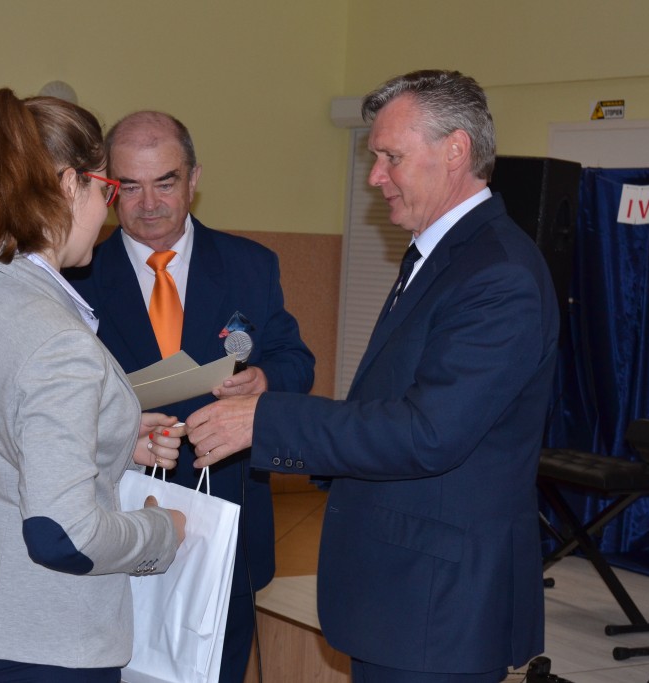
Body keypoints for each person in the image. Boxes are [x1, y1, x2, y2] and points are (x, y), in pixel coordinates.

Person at [186, 70, 560, 682]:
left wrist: (266, 419)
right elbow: (391, 403)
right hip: (402, 593)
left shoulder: (498, 274)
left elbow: (429, 432)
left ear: (456, 150)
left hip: (437, 607)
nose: (375, 177)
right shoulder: (444, 254)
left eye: (391, 157)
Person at [0, 88, 187, 683]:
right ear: (68, 185)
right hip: (34, 639)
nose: (109, 212)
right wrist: (163, 533)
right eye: (107, 190)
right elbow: (62, 534)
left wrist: (112, 439)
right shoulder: (57, 337)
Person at [66, 111, 314, 683]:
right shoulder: (77, 275)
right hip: (115, 517)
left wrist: (264, 380)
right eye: (130, 186)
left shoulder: (250, 266)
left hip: (225, 513)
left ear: (195, 178)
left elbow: (295, 358)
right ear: (107, 189)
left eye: (165, 182)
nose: (149, 203)